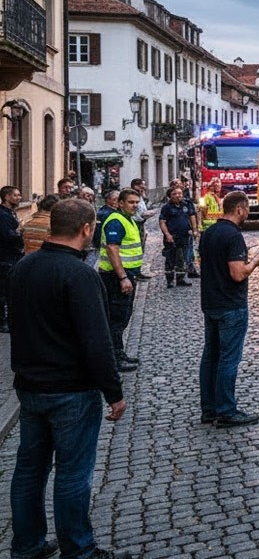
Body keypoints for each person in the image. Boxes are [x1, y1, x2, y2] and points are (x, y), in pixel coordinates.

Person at [8, 198, 133, 559]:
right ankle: (79, 550)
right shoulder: (80, 275)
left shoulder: (23, 267)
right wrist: (114, 392)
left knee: (29, 470)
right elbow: (97, 341)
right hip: (70, 390)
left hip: (30, 387)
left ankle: (27, 544)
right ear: (86, 229)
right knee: (73, 474)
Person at [199, 190, 259, 427]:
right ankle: (226, 410)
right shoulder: (233, 236)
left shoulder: (209, 233)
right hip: (231, 305)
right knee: (228, 359)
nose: (248, 213)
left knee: (210, 357)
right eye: (247, 209)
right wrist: (256, 261)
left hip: (210, 303)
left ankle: (208, 409)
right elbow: (237, 273)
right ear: (239, 209)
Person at [98, 189, 143, 372]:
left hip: (125, 276)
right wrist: (123, 277)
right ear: (120, 203)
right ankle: (114, 359)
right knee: (116, 319)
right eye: (131, 202)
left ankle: (119, 353)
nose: (135, 205)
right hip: (115, 278)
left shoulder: (127, 219)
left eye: (136, 202)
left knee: (123, 317)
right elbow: (112, 249)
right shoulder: (116, 221)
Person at [159, 186, 197, 288]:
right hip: (171, 237)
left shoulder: (186, 205)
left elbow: (192, 216)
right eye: (175, 194)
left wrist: (194, 230)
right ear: (170, 196)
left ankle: (180, 279)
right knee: (170, 259)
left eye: (180, 193)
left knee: (182, 259)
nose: (178, 196)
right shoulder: (166, 208)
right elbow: (162, 222)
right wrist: (167, 234)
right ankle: (170, 280)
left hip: (184, 237)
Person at [0, 185, 24, 333]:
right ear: (7, 197)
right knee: (3, 292)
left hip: (12, 256)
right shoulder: (3, 215)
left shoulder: (10, 213)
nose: (19, 198)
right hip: (5, 257)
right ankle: (2, 321)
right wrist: (21, 234)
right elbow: (8, 236)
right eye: (15, 195)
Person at [130, 179, 157, 280]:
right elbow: (140, 212)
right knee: (136, 248)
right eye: (141, 186)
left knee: (141, 248)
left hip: (141, 224)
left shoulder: (141, 196)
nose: (144, 188)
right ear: (135, 186)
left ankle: (138, 270)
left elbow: (145, 207)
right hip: (135, 223)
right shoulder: (132, 196)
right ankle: (134, 272)